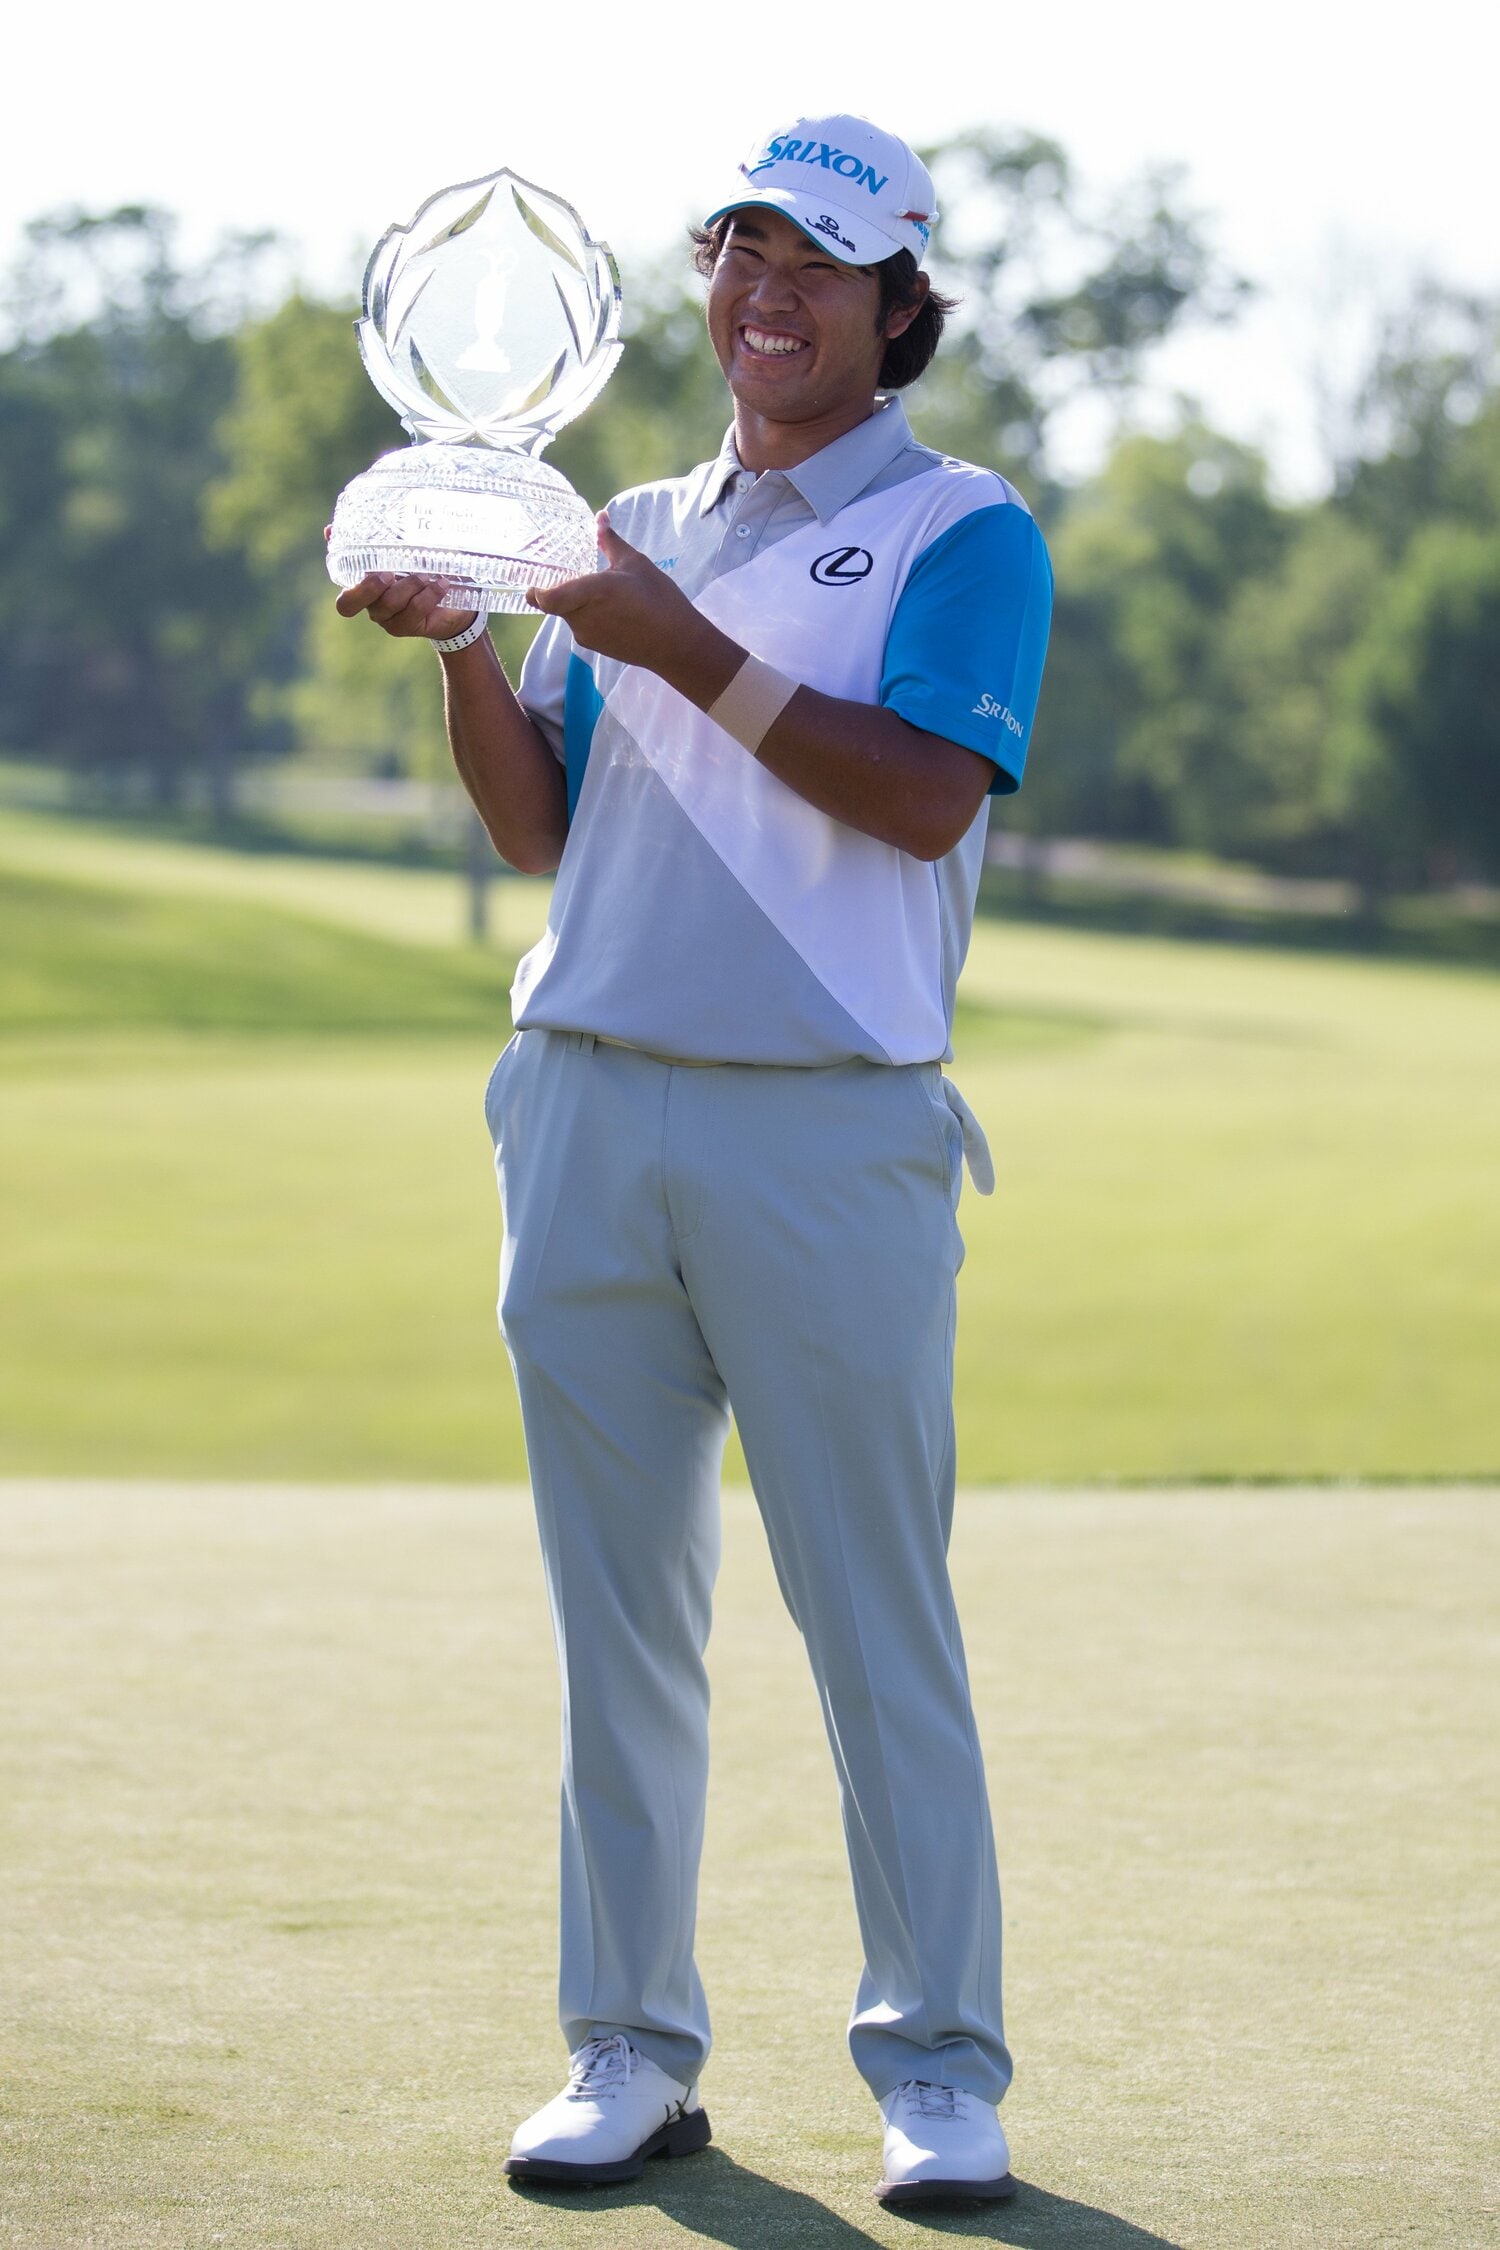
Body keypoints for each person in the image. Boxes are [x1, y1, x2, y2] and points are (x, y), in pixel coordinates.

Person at [337, 112, 1052, 2211]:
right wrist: (473, 636)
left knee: (872, 1620)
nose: (765, 294)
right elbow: (539, 827)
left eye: (816, 265)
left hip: (825, 1131)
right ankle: (629, 2048)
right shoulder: (618, 520)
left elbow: (920, 799)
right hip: (583, 1107)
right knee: (615, 1624)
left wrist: (669, 638)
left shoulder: (958, 526)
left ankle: (937, 2068)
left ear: (896, 303)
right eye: (741, 252)